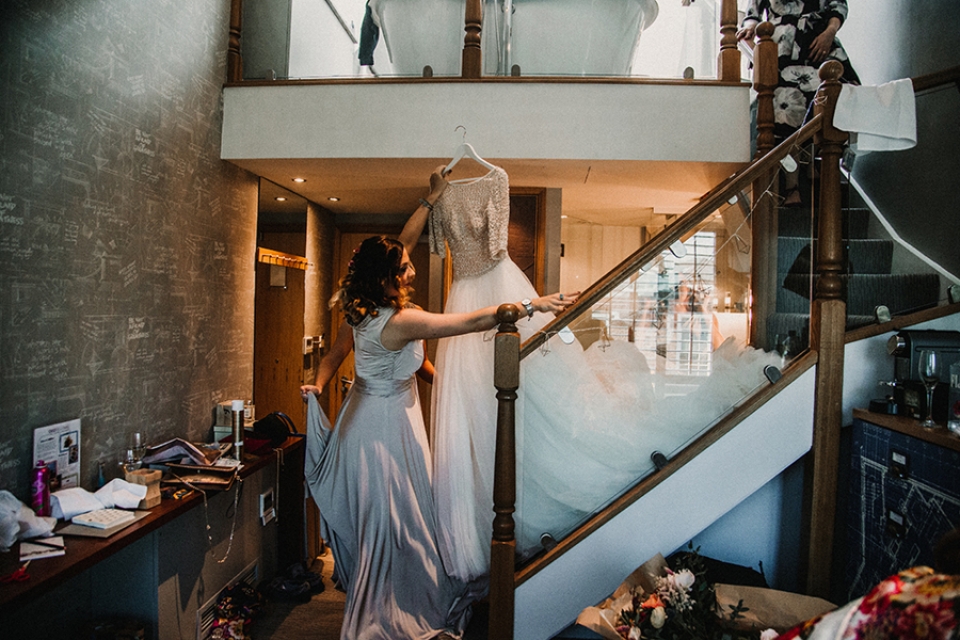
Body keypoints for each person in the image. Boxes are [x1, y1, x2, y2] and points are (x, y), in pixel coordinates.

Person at [427, 162, 782, 586]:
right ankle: (477, 527)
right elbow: (439, 242)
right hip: (467, 293)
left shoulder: (497, 179)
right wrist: (434, 195)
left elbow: (496, 247)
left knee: (525, 398)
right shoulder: (442, 191)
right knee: (477, 406)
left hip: (490, 288)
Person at [300, 211, 575, 638]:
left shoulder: (362, 312)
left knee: (407, 519)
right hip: (379, 432)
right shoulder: (399, 321)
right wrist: (529, 304)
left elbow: (380, 361)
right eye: (404, 268)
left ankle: (403, 589)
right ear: (385, 278)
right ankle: (392, 605)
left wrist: (427, 203)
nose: (411, 271)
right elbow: (468, 322)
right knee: (397, 523)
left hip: (389, 418)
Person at [737, 0, 860, 206]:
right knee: (786, 114)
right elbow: (753, 12)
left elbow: (837, 5)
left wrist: (829, 33)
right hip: (780, 46)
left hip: (818, 43)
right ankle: (792, 187)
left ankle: (815, 165)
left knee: (824, 104)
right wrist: (750, 27)